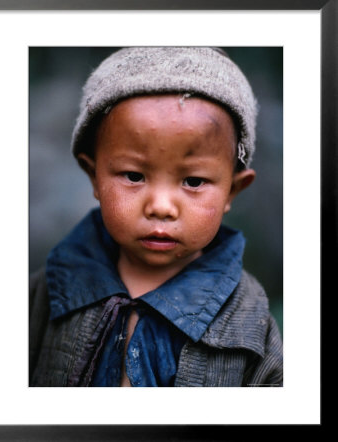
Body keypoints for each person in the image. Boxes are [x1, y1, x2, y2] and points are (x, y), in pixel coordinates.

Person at [29, 47, 283, 387]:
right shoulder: (46, 291)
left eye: (193, 181)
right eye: (134, 176)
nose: (161, 206)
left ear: (232, 192)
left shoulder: (249, 318)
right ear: (94, 177)